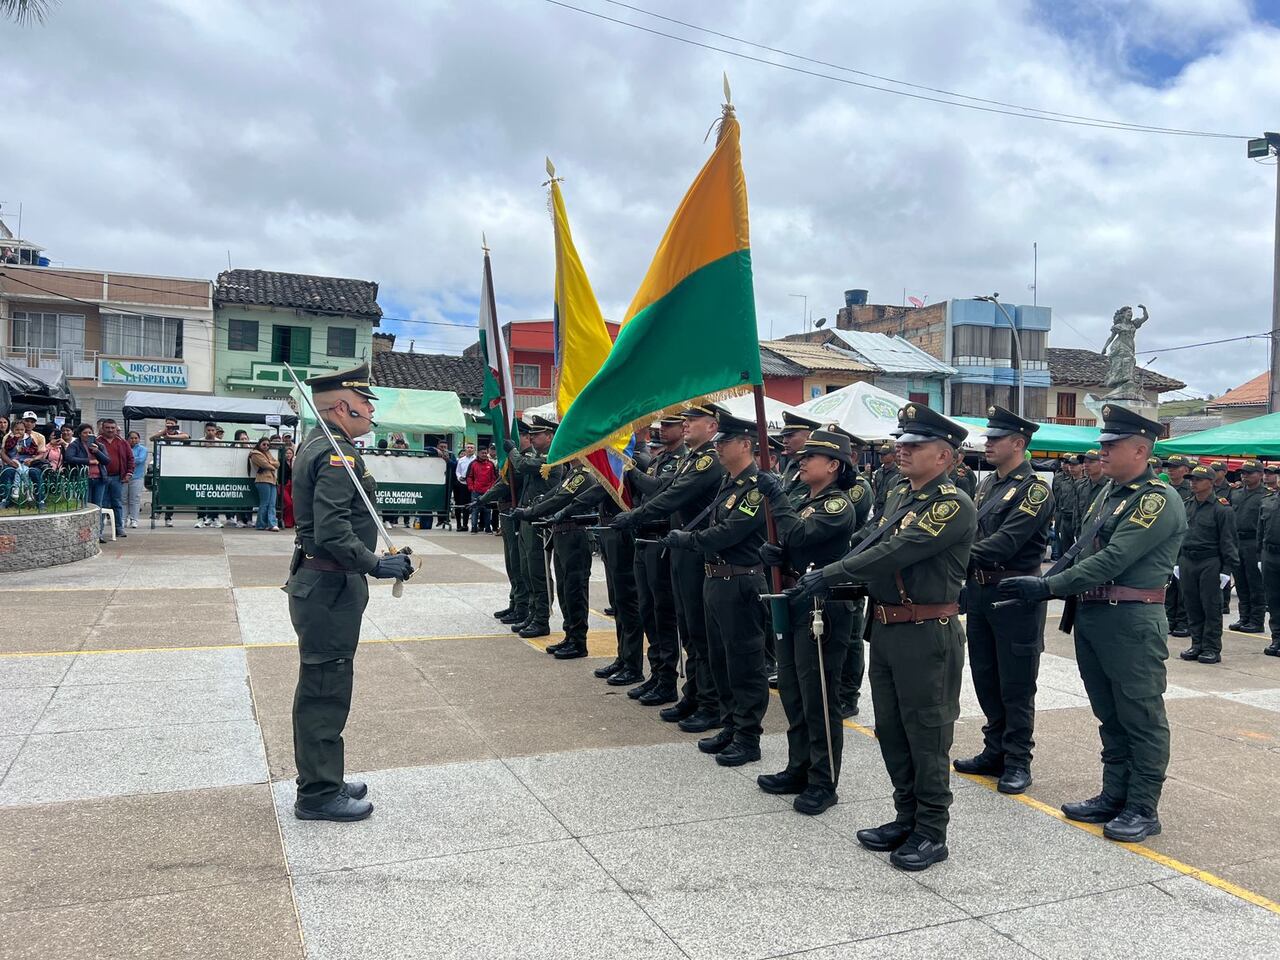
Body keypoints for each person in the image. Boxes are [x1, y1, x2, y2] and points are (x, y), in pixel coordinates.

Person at [791, 402, 975, 872]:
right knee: (892, 730)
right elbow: (868, 543)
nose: (902, 451)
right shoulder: (899, 496)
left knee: (928, 734)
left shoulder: (951, 503)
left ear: (945, 456)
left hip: (927, 633)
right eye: (901, 443)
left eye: (915, 445)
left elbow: (895, 552)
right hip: (889, 628)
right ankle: (906, 816)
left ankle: (932, 832)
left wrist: (830, 573)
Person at [1000, 403, 1185, 843]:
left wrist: (1048, 586)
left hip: (1132, 620)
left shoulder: (1156, 499)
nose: (1101, 451)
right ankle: (1114, 793)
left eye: (1111, 444)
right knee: (1109, 713)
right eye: (1102, 443)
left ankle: (1142, 805)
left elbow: (1114, 558)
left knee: (1140, 714)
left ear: (1140, 450)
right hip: (1096, 615)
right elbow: (1084, 550)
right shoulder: (1109, 493)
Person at [286, 363, 413, 823]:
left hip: (323, 582)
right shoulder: (338, 454)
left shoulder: (317, 445)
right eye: (365, 403)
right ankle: (318, 793)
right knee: (325, 685)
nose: (370, 410)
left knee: (324, 680)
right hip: (330, 585)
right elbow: (334, 531)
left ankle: (324, 775)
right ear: (342, 407)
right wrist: (377, 564)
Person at [757, 428, 859, 813]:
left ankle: (823, 779)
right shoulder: (804, 499)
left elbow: (799, 534)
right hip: (794, 599)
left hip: (822, 607)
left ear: (833, 466)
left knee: (818, 695)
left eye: (811, 457)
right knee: (794, 690)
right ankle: (798, 766)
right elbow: (791, 544)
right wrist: (776, 557)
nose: (801, 460)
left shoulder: (838, 505)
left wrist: (776, 495)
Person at [953, 406, 1053, 795]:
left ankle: (1017, 760)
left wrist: (951, 551)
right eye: (988, 438)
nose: (988, 444)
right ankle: (993, 749)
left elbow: (1006, 542)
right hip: (980, 591)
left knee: (1016, 681)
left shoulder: (1034, 489)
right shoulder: (989, 484)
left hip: (1014, 594)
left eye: (995, 439)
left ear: (1018, 443)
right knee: (985, 675)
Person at [662, 411, 768, 767]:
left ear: (746, 445)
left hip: (740, 581)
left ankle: (749, 736)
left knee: (744, 663)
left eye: (725, 442)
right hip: (715, 579)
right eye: (718, 441)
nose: (719, 447)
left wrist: (688, 540)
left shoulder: (756, 486)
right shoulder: (729, 483)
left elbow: (730, 532)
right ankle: (730, 725)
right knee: (720, 659)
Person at [611, 405, 726, 733]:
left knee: (699, 631)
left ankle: (710, 702)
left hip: (695, 550)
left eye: (691, 421)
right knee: (687, 628)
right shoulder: (692, 457)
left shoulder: (708, 459)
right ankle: (693, 694)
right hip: (679, 548)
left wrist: (634, 516)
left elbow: (672, 495)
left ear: (712, 425)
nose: (686, 425)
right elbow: (664, 490)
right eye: (685, 420)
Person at [625, 417, 686, 707]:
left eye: (670, 425)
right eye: (661, 425)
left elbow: (656, 489)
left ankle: (667, 680)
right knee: (647, 609)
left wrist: (628, 466)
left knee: (663, 612)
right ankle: (657, 673)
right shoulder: (659, 458)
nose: (663, 429)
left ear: (684, 429)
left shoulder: (681, 460)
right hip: (643, 539)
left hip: (660, 542)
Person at [504, 417, 564, 638]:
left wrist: (512, 451)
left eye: (537, 435)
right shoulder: (536, 456)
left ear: (549, 436)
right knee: (527, 569)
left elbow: (521, 465)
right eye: (531, 435)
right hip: (527, 516)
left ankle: (542, 617)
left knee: (538, 571)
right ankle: (532, 612)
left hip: (540, 521)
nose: (532, 438)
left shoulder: (552, 458)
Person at [1176, 465, 1238, 665]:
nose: (1193, 482)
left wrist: (1226, 571)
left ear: (1211, 482)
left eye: (1198, 479)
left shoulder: (1222, 509)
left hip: (1210, 561)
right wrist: (1176, 562)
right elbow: (1179, 535)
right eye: (1191, 479)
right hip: (1187, 560)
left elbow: (1228, 541)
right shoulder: (1187, 505)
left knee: (1211, 607)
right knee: (1191, 604)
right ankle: (1197, 644)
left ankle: (1211, 648)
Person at [1228, 460, 1267, 634]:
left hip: (1253, 541)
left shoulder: (1265, 496)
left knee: (1255, 582)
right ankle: (1244, 617)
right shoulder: (1235, 493)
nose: (1245, 476)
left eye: (1249, 473)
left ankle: (1256, 620)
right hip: (1237, 541)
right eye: (1243, 473)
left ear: (1260, 475)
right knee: (1241, 581)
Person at [1162, 455, 1195, 638]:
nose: (1171, 470)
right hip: (1166, 542)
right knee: (1168, 583)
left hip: (1184, 542)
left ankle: (1183, 621)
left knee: (1183, 585)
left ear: (1186, 469)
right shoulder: (1163, 489)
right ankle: (1170, 617)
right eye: (1169, 467)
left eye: (1175, 467)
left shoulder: (1189, 490)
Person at [66, 423, 109, 539]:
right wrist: (88, 461)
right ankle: (86, 533)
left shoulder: (99, 445)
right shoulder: (75, 445)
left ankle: (98, 533)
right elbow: (69, 458)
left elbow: (106, 460)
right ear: (79, 434)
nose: (87, 435)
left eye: (90, 433)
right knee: (86, 505)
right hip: (84, 479)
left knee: (98, 505)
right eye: (85, 433)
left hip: (99, 479)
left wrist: (97, 451)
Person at [96, 419, 134, 539]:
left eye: (112, 427)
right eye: (107, 427)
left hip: (118, 477)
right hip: (101, 477)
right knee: (102, 504)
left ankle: (119, 528)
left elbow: (130, 458)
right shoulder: (97, 441)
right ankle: (99, 531)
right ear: (102, 428)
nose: (110, 430)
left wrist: (129, 473)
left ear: (116, 428)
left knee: (117, 503)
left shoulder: (122, 442)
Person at [1, 417, 48, 509]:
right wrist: (10, 462)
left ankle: (39, 499)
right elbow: (3, 451)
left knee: (35, 472)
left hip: (29, 462)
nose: (29, 423)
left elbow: (40, 453)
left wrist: (32, 459)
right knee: (7, 472)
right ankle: (5, 499)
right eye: (27, 421)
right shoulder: (9, 437)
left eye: (32, 421)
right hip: (13, 461)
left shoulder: (36, 437)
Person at [150, 418, 189, 526]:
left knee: (170, 493)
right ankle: (156, 512)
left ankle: (168, 517)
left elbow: (186, 437)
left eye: (172, 424)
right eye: (168, 424)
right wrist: (163, 432)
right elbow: (151, 438)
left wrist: (170, 436)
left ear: (176, 425)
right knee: (158, 491)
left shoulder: (180, 434)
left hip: (174, 468)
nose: (170, 426)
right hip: (160, 466)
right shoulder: (161, 433)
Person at [1257, 474, 1280, 657]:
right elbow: (1261, 529)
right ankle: (1277, 638)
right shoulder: (1268, 501)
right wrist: (1259, 555)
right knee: (1273, 599)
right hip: (1270, 554)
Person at [193, 423, 223, 528]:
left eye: (212, 430)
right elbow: (194, 455)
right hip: (202, 472)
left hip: (215, 473)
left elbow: (223, 456)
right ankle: (201, 518)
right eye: (208, 430)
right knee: (201, 495)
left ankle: (215, 518)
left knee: (215, 495)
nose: (210, 432)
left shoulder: (220, 443)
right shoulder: (200, 441)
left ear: (216, 431)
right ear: (205, 431)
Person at [250, 437, 281, 531]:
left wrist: (270, 463)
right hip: (262, 480)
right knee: (265, 503)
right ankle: (261, 524)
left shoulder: (268, 453)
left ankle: (271, 524)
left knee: (272, 504)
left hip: (272, 480)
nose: (266, 446)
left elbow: (278, 464)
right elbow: (265, 465)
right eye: (264, 444)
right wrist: (272, 464)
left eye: (268, 445)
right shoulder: (255, 453)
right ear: (259, 444)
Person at [466, 445, 498, 533]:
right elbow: (469, 477)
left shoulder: (491, 464)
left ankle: (488, 528)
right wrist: (471, 487)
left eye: (485, 453)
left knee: (487, 510)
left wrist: (491, 488)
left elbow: (494, 478)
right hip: (476, 491)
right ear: (478, 453)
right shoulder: (473, 464)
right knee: (475, 510)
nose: (484, 455)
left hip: (487, 491)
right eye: (482, 453)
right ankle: (473, 528)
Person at [870, 442, 900, 518]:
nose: (881, 456)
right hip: (877, 508)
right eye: (880, 454)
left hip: (891, 509)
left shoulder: (899, 473)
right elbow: (875, 488)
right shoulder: (878, 472)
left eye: (884, 454)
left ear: (893, 456)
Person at [124, 431, 148, 527]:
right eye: (131, 438)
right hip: (124, 476)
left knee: (135, 499)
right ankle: (123, 519)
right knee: (123, 499)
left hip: (137, 477)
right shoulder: (124, 448)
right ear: (127, 439)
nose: (134, 440)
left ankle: (134, 519)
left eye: (136, 438)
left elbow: (140, 460)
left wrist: (128, 459)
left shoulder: (143, 449)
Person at [454, 441, 476, 531]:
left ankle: (465, 524)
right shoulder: (461, 460)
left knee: (467, 505)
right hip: (461, 484)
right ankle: (459, 524)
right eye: (468, 447)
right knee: (458, 505)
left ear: (474, 449)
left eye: (471, 447)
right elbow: (457, 471)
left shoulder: (476, 460)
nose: (469, 449)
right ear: (465, 449)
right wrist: (459, 477)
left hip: (471, 485)